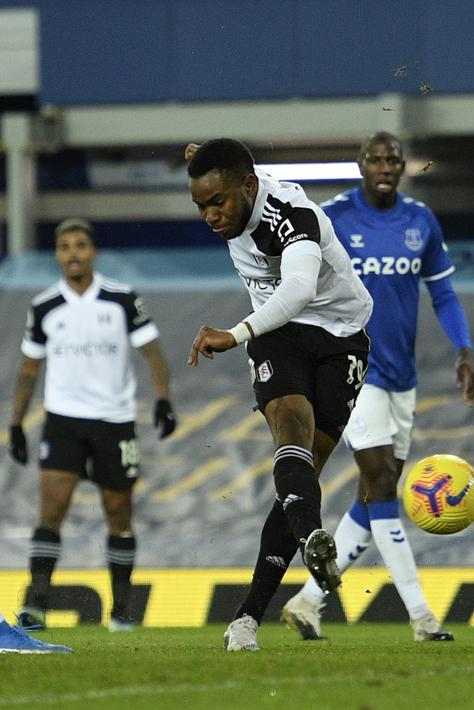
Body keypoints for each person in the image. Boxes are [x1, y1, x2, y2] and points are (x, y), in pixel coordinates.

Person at [280, 131, 474, 642]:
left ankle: (307, 602)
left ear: (404, 166)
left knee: (375, 495)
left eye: (393, 160)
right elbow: (296, 281)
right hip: (351, 369)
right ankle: (422, 616)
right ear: (361, 164)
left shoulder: (420, 221)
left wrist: (463, 348)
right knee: (383, 482)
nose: (385, 167)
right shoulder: (333, 217)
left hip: (401, 377)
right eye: (376, 159)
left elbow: (444, 293)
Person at [185, 138, 373, 651]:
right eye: (200, 206)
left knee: (305, 471)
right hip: (278, 331)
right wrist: (202, 156)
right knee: (290, 426)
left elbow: (299, 290)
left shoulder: (292, 216)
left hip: (340, 334)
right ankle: (307, 545)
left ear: (248, 187)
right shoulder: (238, 184)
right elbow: (231, 167)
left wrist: (234, 334)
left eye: (217, 202)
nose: (210, 216)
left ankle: (250, 609)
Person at [9, 218, 177, 633]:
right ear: (57, 255)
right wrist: (15, 423)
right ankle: (36, 606)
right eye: (65, 246)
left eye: (80, 245)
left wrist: (162, 399)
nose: (73, 253)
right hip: (63, 422)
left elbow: (153, 352)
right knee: (51, 512)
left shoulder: (121, 299)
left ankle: (121, 612)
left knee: (119, 515)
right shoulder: (45, 306)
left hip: (114, 422)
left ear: (93, 252)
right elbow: (29, 370)